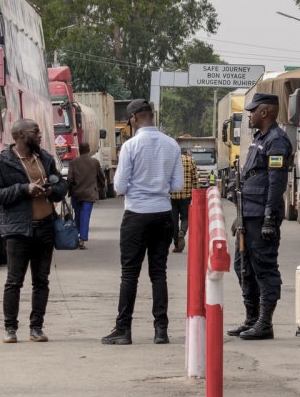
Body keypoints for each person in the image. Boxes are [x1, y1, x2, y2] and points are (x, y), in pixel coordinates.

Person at [101, 99, 183, 346]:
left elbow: (119, 187)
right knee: (159, 273)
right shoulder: (172, 145)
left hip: (136, 214)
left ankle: (123, 329)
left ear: (134, 118)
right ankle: (161, 330)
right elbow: (178, 185)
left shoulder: (130, 146)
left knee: (129, 275)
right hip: (163, 214)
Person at [0, 119, 68, 344]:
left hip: (45, 228)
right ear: (20, 135)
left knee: (41, 280)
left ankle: (36, 328)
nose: (40, 135)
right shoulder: (2, 162)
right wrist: (24, 189)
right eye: (35, 131)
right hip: (18, 231)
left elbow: (62, 187)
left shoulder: (45, 159)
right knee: (14, 281)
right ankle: (10, 328)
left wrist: (50, 190)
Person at [227, 92, 293, 341]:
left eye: (252, 111)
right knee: (242, 266)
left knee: (264, 268)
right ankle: (252, 318)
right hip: (247, 213)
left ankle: (265, 323)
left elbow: (276, 184)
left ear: (264, 112)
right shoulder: (259, 139)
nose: (249, 116)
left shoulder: (276, 141)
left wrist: (269, 217)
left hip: (261, 215)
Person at [67, 141, 106, 250]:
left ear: (79, 150)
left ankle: (77, 236)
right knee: (85, 216)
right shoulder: (95, 162)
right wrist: (99, 187)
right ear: (88, 150)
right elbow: (101, 177)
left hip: (76, 194)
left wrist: (70, 190)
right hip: (89, 194)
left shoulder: (73, 163)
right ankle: (82, 239)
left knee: (78, 216)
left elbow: (69, 179)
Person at [170, 149, 200, 253]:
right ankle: (182, 231)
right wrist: (196, 191)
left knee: (173, 220)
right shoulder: (190, 160)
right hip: (186, 195)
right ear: (186, 154)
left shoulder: (171, 160)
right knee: (185, 217)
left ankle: (177, 245)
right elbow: (195, 178)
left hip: (173, 195)